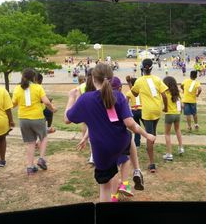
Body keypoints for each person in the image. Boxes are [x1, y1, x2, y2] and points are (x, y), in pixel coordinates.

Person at [64, 63, 156, 202]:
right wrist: (147, 135)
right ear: (111, 78)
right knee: (128, 138)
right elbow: (130, 124)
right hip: (120, 143)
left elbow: (67, 119)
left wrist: (71, 97)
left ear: (93, 79)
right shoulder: (118, 96)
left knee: (104, 186)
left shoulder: (85, 99)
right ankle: (134, 172)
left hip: (101, 149)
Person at [12, 68, 57, 175]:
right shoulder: (37, 87)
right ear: (34, 77)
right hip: (37, 117)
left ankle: (30, 166)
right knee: (44, 136)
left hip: (23, 119)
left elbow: (13, 104)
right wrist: (53, 109)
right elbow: (46, 102)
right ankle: (41, 158)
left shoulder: (17, 88)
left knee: (30, 143)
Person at [130, 58, 168, 173]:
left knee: (148, 135)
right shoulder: (157, 79)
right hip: (157, 110)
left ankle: (152, 164)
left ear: (142, 67)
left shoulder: (140, 81)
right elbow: (164, 95)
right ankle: (151, 144)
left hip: (147, 111)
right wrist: (165, 107)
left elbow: (134, 93)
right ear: (151, 67)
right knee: (152, 133)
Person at [162, 76, 184, 161]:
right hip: (177, 114)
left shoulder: (166, 93)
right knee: (178, 130)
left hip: (169, 115)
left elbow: (164, 103)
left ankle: (169, 154)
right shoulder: (177, 93)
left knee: (167, 134)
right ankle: (181, 148)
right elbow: (181, 105)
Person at [126, 76, 143, 148]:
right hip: (142, 110)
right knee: (147, 127)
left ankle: (137, 143)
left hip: (134, 111)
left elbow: (125, 103)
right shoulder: (142, 91)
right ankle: (151, 140)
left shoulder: (129, 92)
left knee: (136, 127)